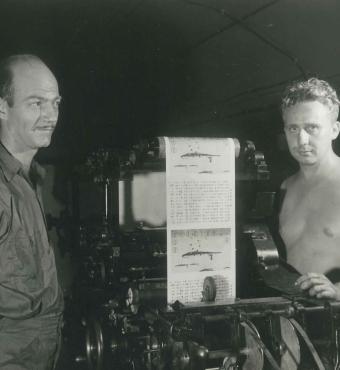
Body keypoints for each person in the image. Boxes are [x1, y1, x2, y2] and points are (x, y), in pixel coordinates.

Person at [0, 54, 63, 369]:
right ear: (2, 106)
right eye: (36, 103)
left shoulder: (30, 179)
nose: (50, 115)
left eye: (55, 103)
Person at [279, 77, 340, 300]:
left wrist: (338, 291)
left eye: (312, 127)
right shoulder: (285, 187)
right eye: (293, 128)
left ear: (334, 129)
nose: (302, 139)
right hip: (294, 320)